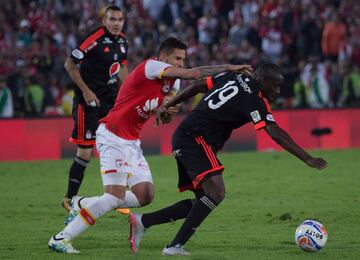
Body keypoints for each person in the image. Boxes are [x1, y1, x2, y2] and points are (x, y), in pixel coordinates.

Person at [48, 36, 252, 253]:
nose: (181, 64)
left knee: (145, 195)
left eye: (184, 59)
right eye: (178, 58)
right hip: (112, 134)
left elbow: (164, 110)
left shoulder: (173, 81)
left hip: (132, 141)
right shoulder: (150, 66)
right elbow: (193, 74)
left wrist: (165, 112)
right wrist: (230, 68)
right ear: (164, 56)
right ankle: (61, 238)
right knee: (113, 197)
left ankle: (82, 203)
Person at [128, 63, 328, 256]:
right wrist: (307, 158)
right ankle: (174, 247)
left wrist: (170, 103)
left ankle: (143, 221)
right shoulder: (256, 99)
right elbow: (274, 132)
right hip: (196, 139)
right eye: (275, 85)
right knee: (217, 192)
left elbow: (198, 85)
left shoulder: (234, 76)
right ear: (263, 80)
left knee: (203, 200)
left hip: (185, 135)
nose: (277, 91)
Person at [61, 5, 129, 214]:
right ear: (104, 20)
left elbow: (122, 69)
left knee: (118, 145)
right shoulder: (95, 39)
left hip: (109, 101)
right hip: (87, 102)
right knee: (85, 152)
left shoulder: (123, 42)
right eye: (112, 19)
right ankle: (69, 198)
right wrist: (87, 91)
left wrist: (130, 92)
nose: (116, 23)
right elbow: (69, 64)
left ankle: (117, 196)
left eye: (120, 19)